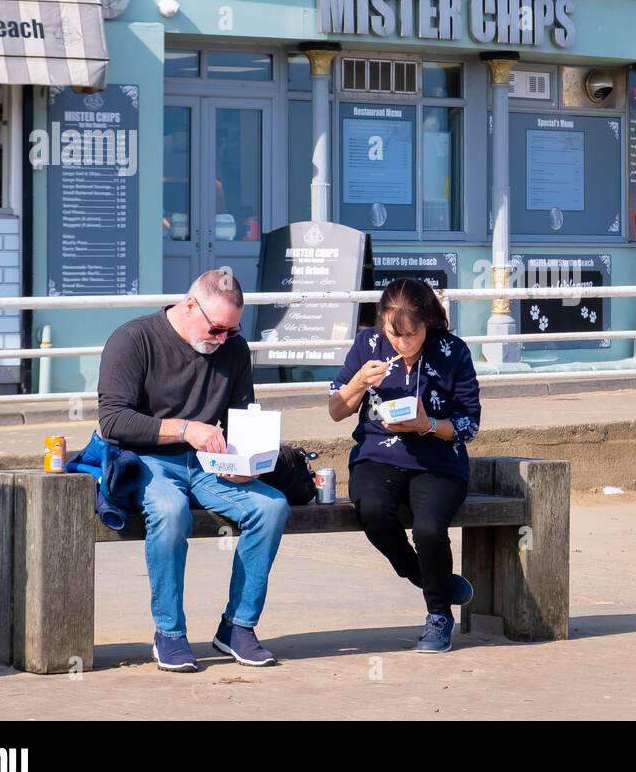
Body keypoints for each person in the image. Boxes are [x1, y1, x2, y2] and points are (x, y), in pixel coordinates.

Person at [98, 270, 290, 672]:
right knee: (170, 512)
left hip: (212, 463)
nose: (222, 339)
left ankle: (238, 627)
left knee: (271, 508)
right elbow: (113, 421)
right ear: (189, 305)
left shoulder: (233, 349)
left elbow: (241, 416)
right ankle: (169, 632)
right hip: (147, 459)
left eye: (231, 332)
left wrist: (246, 460)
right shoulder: (133, 339)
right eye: (217, 329)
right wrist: (186, 429)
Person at [328, 278, 482, 653]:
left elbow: (469, 424)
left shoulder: (452, 351)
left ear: (427, 322)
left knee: (429, 528)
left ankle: (439, 613)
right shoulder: (368, 344)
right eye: (394, 335)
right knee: (373, 509)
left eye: (410, 335)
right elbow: (335, 410)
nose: (402, 344)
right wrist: (359, 383)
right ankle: (425, 575)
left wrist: (427, 424)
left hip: (438, 458)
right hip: (377, 454)